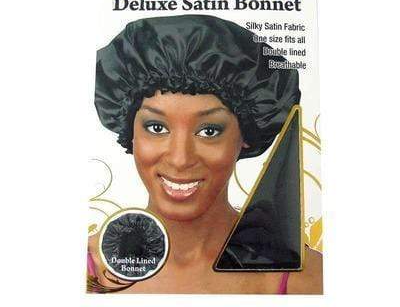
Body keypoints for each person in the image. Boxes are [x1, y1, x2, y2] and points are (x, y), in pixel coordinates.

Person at [88, 15, 322, 294]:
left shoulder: (305, 279)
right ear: (131, 133)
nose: (180, 159)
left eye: (209, 131)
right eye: (156, 127)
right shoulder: (86, 270)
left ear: (246, 136)